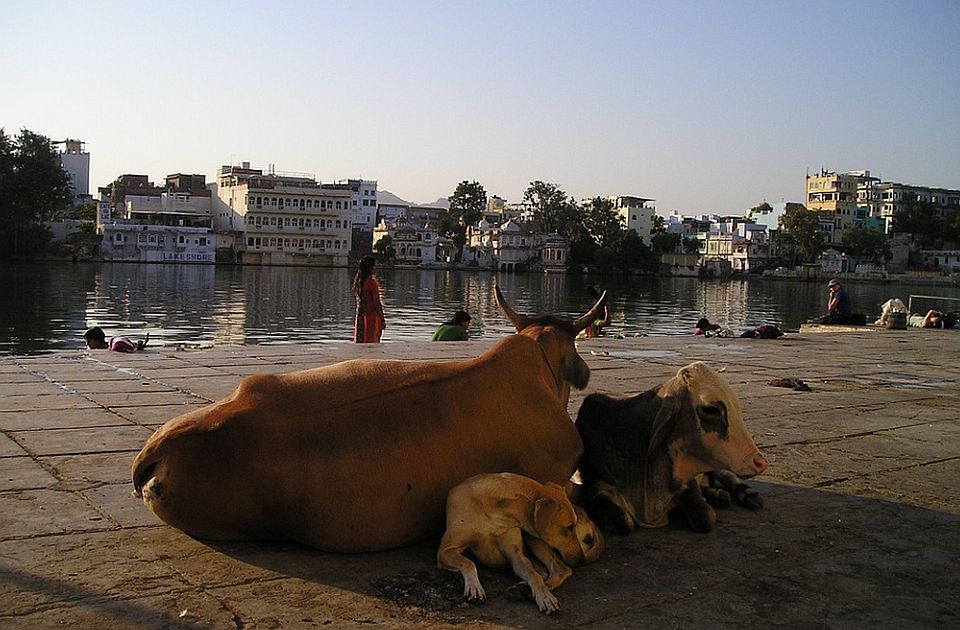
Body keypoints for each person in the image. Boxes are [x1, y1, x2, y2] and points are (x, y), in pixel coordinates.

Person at [352, 255, 385, 343]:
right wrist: (382, 318)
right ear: (370, 268)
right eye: (374, 266)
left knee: (361, 342)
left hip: (360, 316)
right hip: (371, 317)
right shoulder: (372, 283)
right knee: (371, 342)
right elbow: (376, 303)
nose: (376, 268)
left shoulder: (358, 282)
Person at [83, 326, 149, 352]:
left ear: (97, 340)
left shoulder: (114, 345)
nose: (87, 344)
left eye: (89, 341)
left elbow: (119, 344)